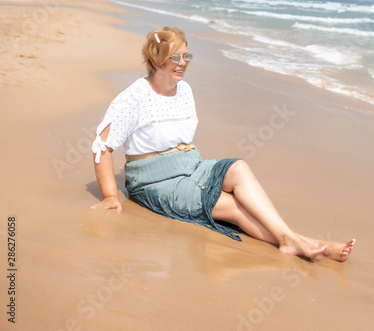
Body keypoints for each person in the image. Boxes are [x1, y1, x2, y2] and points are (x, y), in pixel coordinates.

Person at [91, 26, 355, 262]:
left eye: (186, 56)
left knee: (238, 167)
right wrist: (111, 196)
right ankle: (306, 242)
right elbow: (102, 145)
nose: (182, 63)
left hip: (191, 166)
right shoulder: (136, 96)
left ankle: (291, 239)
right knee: (231, 206)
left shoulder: (185, 90)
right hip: (155, 182)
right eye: (175, 57)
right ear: (156, 59)